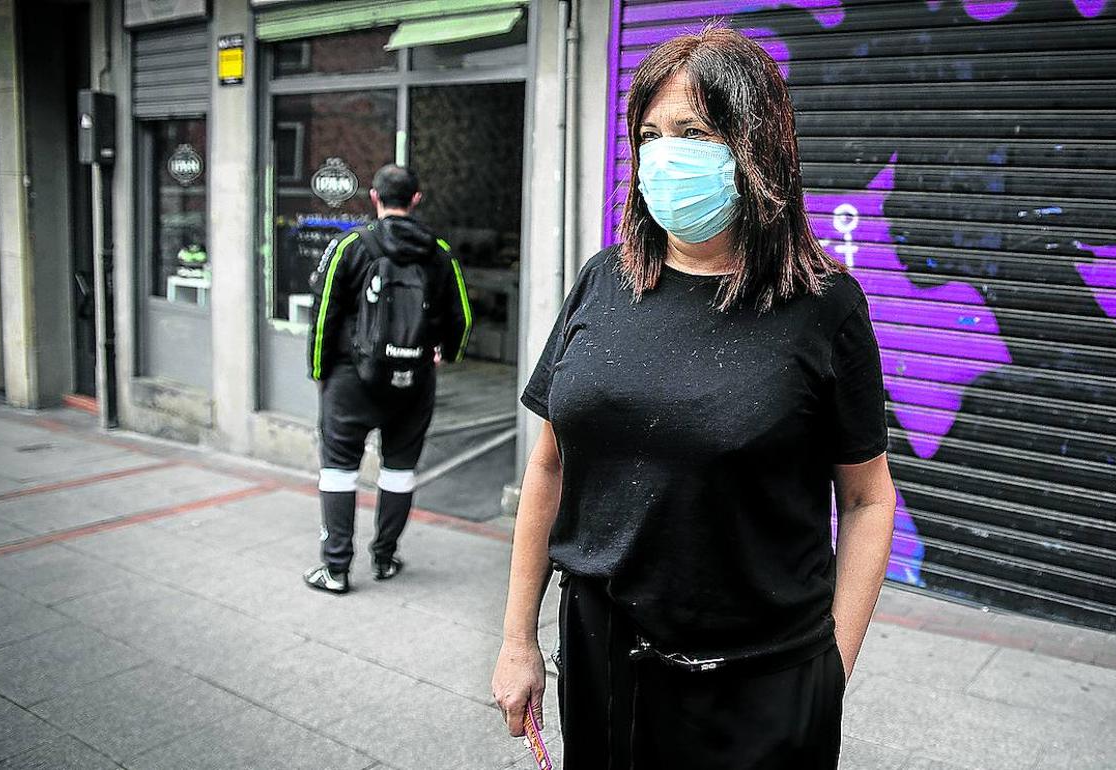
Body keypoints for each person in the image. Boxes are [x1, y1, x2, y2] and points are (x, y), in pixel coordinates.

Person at [492, 26, 896, 768]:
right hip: (603, 659)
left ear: (754, 148)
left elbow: (869, 499)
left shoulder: (825, 306)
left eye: (692, 131)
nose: (663, 155)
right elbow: (549, 466)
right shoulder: (602, 281)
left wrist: (827, 674)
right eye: (648, 133)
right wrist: (519, 639)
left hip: (761, 682)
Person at [303, 164, 472, 595]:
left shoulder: (351, 246)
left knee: (339, 471)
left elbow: (324, 314)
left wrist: (321, 371)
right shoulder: (439, 252)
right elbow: (462, 318)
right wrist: (444, 355)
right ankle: (384, 558)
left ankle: (336, 569)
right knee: (398, 471)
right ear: (416, 199)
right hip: (413, 379)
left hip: (350, 381)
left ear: (375, 197)